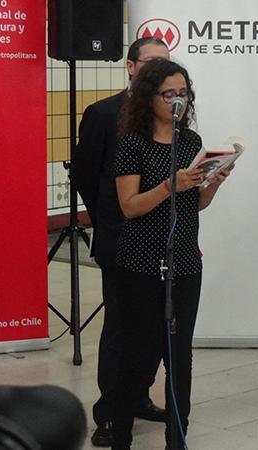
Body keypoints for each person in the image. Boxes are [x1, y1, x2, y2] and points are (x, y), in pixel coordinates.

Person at [111, 59, 232, 449]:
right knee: (136, 356)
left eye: (183, 93)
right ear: (149, 96)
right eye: (169, 94)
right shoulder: (132, 141)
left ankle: (176, 439)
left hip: (184, 262)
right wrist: (169, 185)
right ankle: (121, 437)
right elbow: (129, 206)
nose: (177, 101)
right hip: (141, 264)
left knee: (180, 356)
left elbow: (193, 205)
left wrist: (213, 183)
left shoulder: (191, 143)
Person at [71, 36, 169, 447]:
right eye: (151, 64)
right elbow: (85, 174)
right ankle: (109, 411)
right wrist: (108, 220)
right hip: (120, 238)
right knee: (121, 328)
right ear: (130, 67)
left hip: (162, 241)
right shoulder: (104, 113)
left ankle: (138, 396)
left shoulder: (171, 115)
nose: (160, 72)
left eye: (166, 64)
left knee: (155, 327)